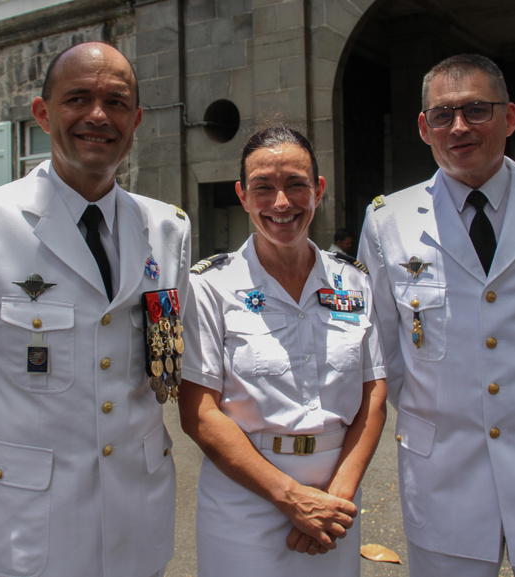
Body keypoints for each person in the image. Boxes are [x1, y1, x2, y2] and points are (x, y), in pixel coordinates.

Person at [0, 42, 191, 577]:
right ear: (42, 114)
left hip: (137, 518)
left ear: (136, 121)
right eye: (77, 99)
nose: (98, 116)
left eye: (116, 102)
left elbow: (165, 356)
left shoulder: (167, 228)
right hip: (23, 530)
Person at [358, 54, 515, 577]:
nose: (459, 127)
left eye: (477, 110)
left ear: (510, 117)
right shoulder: (389, 222)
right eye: (443, 114)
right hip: (446, 473)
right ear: (424, 127)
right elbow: (385, 351)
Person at [179, 126, 388, 577]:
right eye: (263, 188)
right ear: (242, 195)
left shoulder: (353, 281)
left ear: (318, 189)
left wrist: (336, 497)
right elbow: (200, 411)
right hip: (245, 503)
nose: (281, 203)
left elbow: (373, 395)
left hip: (335, 501)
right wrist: (292, 500)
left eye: (296, 184)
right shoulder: (210, 286)